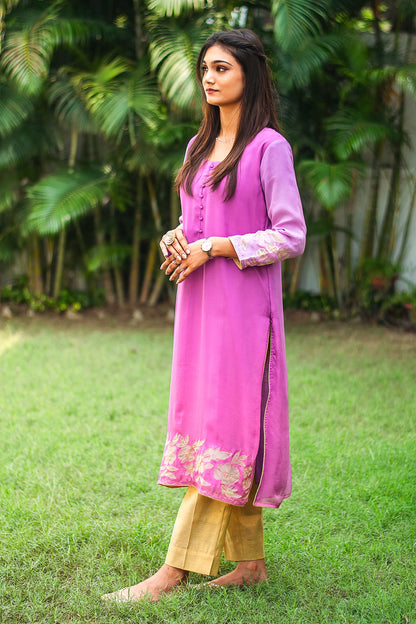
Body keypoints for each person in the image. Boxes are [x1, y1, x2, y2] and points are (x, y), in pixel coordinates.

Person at [102, 28, 306, 603]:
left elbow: (290, 235)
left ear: (250, 74)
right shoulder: (198, 148)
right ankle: (250, 565)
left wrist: (217, 247)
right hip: (199, 310)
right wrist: (178, 238)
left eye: (222, 68)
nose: (210, 78)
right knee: (212, 427)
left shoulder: (269, 148)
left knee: (227, 430)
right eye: (205, 70)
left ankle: (174, 569)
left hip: (246, 316)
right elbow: (195, 226)